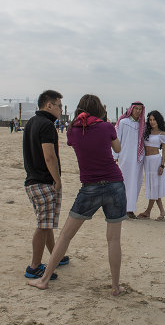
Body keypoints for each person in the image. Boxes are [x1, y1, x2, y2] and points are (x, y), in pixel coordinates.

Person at [28, 94, 127, 296]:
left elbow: (75, 143)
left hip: (89, 187)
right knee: (113, 239)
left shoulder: (73, 130)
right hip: (115, 184)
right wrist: (106, 127)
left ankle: (44, 279)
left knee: (65, 235)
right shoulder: (107, 126)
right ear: (99, 109)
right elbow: (118, 148)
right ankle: (116, 287)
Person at [23, 90, 68, 281]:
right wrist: (57, 180)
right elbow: (49, 156)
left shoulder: (32, 122)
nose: (61, 109)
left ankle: (56, 256)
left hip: (32, 179)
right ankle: (34, 267)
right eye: (59, 105)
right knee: (43, 225)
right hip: (43, 181)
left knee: (46, 222)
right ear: (49, 105)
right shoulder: (47, 125)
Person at [113, 102, 145, 219]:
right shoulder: (123, 122)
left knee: (136, 183)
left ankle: (130, 209)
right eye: (136, 108)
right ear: (131, 109)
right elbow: (117, 140)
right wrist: (115, 156)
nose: (138, 111)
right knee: (124, 183)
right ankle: (121, 208)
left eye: (140, 109)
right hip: (124, 158)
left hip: (137, 160)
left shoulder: (142, 125)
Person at [137, 110, 165, 221]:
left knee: (154, 186)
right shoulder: (146, 132)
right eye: (150, 120)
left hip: (156, 161)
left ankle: (148, 212)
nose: (152, 122)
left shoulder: (162, 134)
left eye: (154, 119)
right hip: (147, 161)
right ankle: (162, 212)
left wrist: (162, 166)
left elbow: (164, 151)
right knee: (153, 186)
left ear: (158, 120)